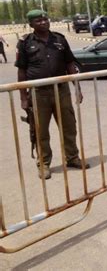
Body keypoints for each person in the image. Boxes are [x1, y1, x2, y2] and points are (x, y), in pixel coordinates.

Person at [15, 10, 89, 179]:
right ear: (31, 24)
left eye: (45, 19)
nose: (43, 22)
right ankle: (44, 163)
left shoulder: (59, 39)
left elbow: (70, 64)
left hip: (61, 90)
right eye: (38, 21)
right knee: (41, 131)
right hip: (39, 93)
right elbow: (21, 71)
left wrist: (77, 87)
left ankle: (72, 158)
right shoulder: (25, 43)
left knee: (69, 126)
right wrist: (23, 97)